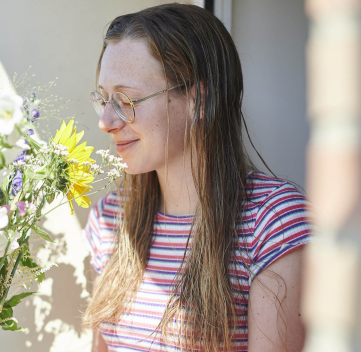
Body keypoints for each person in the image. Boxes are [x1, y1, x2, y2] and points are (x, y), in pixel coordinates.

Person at [82, 3, 311, 352]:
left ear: (198, 100)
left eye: (125, 100)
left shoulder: (272, 222)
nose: (106, 122)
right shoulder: (112, 217)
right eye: (104, 99)